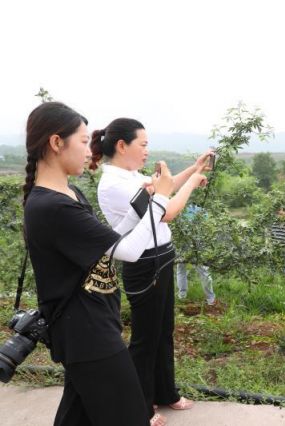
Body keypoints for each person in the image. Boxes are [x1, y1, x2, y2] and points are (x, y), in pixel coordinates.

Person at [22, 102, 174, 426]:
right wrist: (160, 198)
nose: (88, 150)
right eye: (81, 140)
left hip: (92, 324)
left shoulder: (70, 193)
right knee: (130, 416)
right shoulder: (51, 206)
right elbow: (129, 252)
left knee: (76, 418)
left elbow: (106, 247)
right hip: (87, 334)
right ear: (55, 143)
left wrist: (140, 207)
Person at [90, 118, 211, 420]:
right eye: (142, 145)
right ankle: (140, 405)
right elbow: (167, 211)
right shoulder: (115, 184)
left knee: (163, 332)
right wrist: (194, 183)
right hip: (144, 265)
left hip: (162, 256)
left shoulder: (131, 177)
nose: (147, 151)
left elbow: (164, 191)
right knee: (145, 339)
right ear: (122, 145)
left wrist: (193, 170)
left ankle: (164, 392)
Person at [176, 204, 215, 305]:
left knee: (182, 269)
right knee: (202, 271)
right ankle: (210, 299)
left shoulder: (179, 206)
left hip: (187, 242)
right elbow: (206, 228)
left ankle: (182, 296)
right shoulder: (201, 209)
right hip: (193, 242)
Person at [270, 207, 285, 282]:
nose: (280, 216)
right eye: (279, 214)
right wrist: (269, 244)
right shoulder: (273, 224)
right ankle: (274, 285)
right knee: (273, 267)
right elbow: (269, 236)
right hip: (274, 249)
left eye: (282, 214)